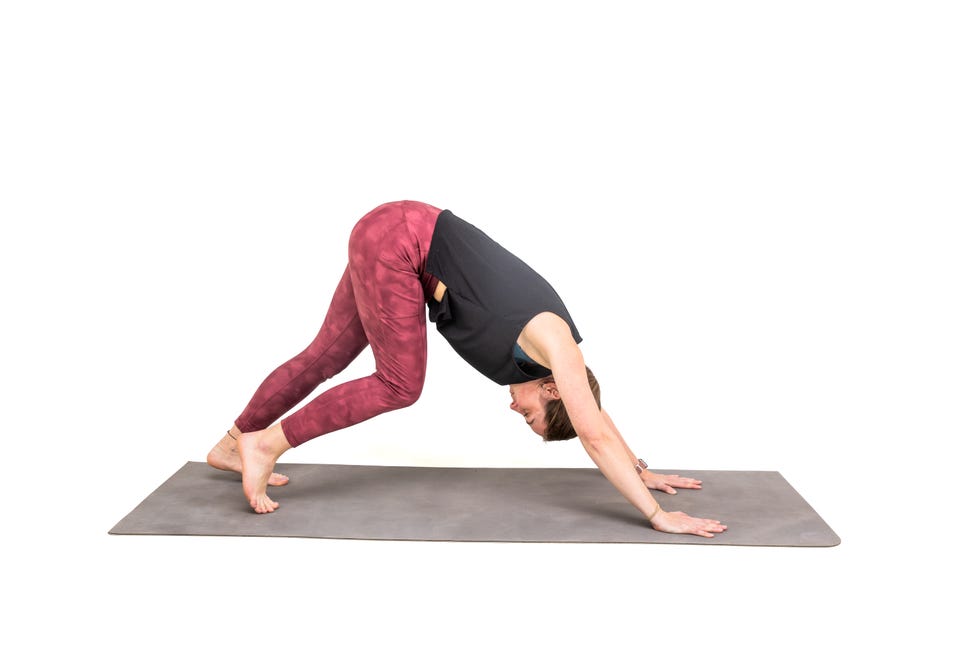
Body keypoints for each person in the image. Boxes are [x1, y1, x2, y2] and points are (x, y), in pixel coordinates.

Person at [206, 200, 727, 538]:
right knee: (399, 384)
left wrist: (641, 468)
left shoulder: (556, 363)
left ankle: (234, 442)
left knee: (326, 354)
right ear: (551, 388)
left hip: (391, 232)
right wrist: (657, 516)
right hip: (399, 240)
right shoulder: (552, 342)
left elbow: (592, 415)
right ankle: (267, 442)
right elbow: (592, 432)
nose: (513, 408)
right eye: (530, 415)